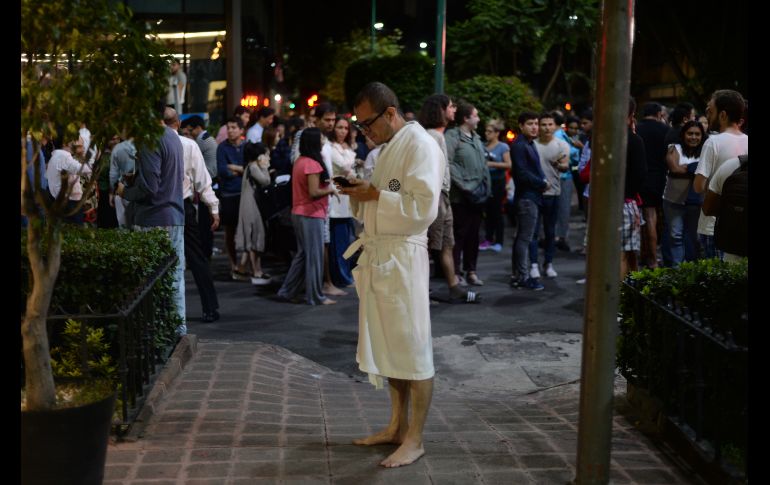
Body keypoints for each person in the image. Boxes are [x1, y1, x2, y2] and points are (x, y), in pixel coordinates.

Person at [338, 82, 443, 468]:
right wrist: (360, 194)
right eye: (360, 126)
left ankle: (415, 439)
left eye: (368, 124)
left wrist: (375, 195)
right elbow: (379, 198)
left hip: (404, 255)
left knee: (414, 348)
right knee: (391, 347)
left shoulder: (420, 145)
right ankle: (397, 426)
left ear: (391, 113)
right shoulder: (385, 151)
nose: (365, 132)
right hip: (382, 252)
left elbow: (424, 207)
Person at [118, 110, 186, 335]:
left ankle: (160, 337)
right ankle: (177, 332)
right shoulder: (172, 136)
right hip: (174, 215)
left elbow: (150, 188)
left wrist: (125, 191)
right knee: (174, 279)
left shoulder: (150, 139)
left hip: (154, 218)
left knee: (151, 282)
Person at [276, 128, 338, 305]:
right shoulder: (312, 163)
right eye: (321, 137)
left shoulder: (300, 161)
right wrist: (330, 190)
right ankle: (315, 296)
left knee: (303, 255)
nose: (324, 140)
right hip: (311, 214)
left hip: (299, 212)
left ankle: (287, 291)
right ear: (314, 142)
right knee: (314, 256)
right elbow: (314, 192)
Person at [236, 142, 272, 285]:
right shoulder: (254, 166)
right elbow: (266, 181)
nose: (268, 157)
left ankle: (243, 269)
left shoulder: (250, 166)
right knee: (255, 236)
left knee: (252, 237)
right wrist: (265, 167)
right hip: (252, 206)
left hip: (249, 204)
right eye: (266, 154)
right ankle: (256, 271)